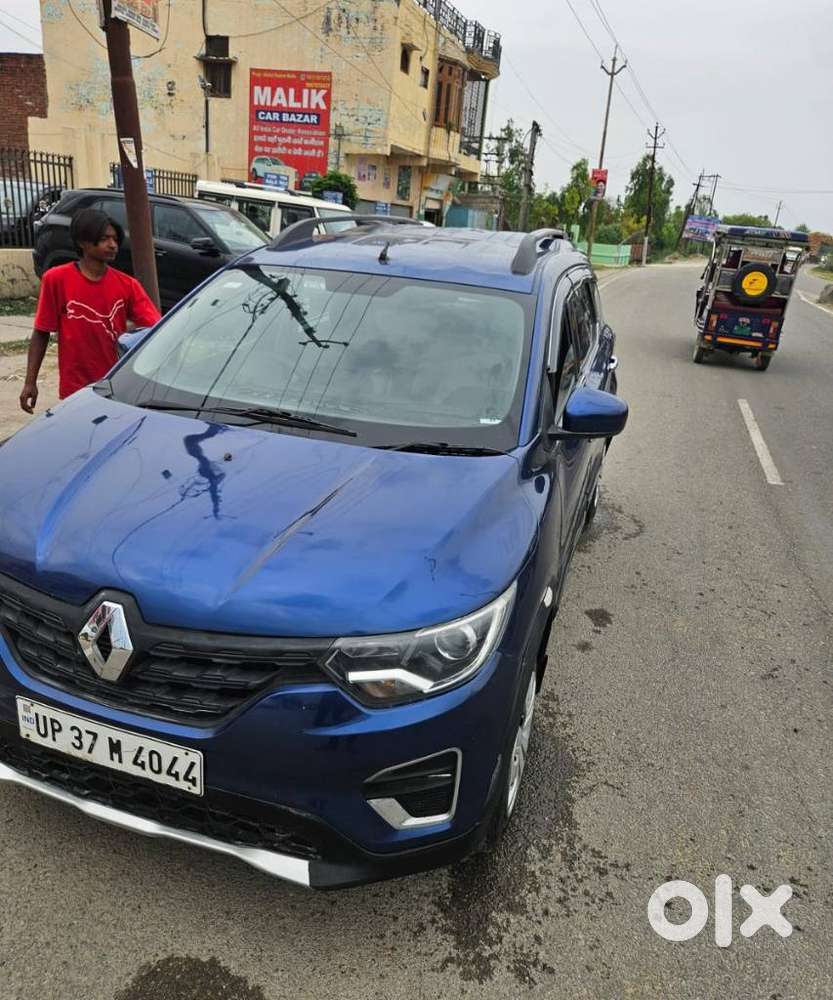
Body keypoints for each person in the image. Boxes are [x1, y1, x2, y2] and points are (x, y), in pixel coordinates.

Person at [19, 208, 161, 412]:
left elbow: (155, 329)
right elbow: (42, 332)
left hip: (113, 385)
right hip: (74, 388)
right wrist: (30, 382)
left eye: (114, 239)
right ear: (82, 242)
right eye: (104, 238)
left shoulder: (127, 285)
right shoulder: (57, 280)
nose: (112, 245)